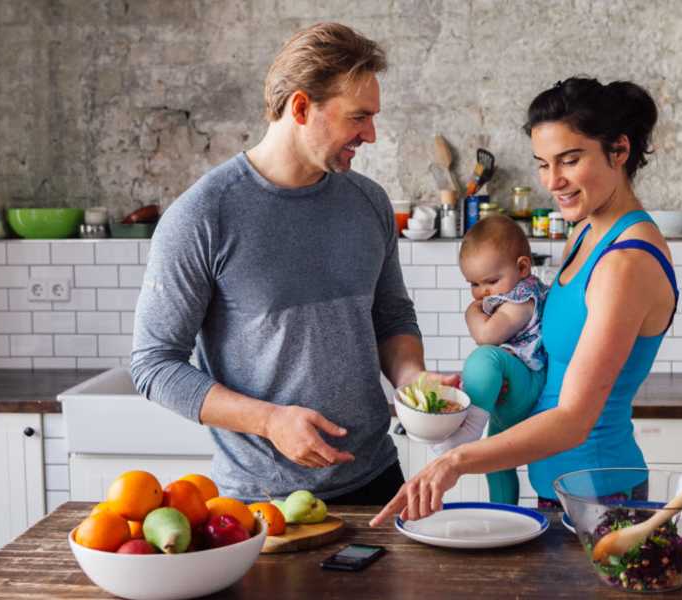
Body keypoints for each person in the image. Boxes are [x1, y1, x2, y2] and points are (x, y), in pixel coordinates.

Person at [130, 22, 452, 506]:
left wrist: (411, 378)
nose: (371, 134)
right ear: (301, 107)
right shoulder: (203, 215)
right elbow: (154, 366)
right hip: (261, 501)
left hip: (377, 483)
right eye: (358, 118)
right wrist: (270, 421)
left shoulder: (369, 202)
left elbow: (391, 316)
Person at [371, 76, 678, 525]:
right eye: (542, 164)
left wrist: (458, 458)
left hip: (603, 497)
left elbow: (575, 418)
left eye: (570, 160)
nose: (553, 181)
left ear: (619, 151)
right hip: (560, 488)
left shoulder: (626, 261)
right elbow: (554, 360)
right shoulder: (585, 232)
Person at [428, 215, 548, 505]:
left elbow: (487, 335)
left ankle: (468, 428)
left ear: (522, 267)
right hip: (515, 382)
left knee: (483, 358)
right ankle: (504, 515)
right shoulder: (505, 292)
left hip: (529, 378)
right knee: (495, 461)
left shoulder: (522, 297)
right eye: (474, 284)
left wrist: (471, 313)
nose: (483, 292)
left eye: (491, 281)